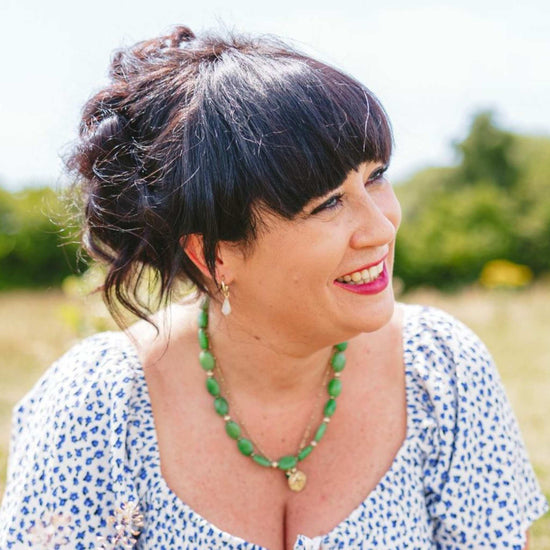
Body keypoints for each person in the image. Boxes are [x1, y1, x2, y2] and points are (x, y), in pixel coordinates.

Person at [0, 25, 546, 550]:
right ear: (213, 254)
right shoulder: (97, 408)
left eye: (375, 176)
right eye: (328, 203)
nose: (382, 227)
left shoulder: (441, 370)